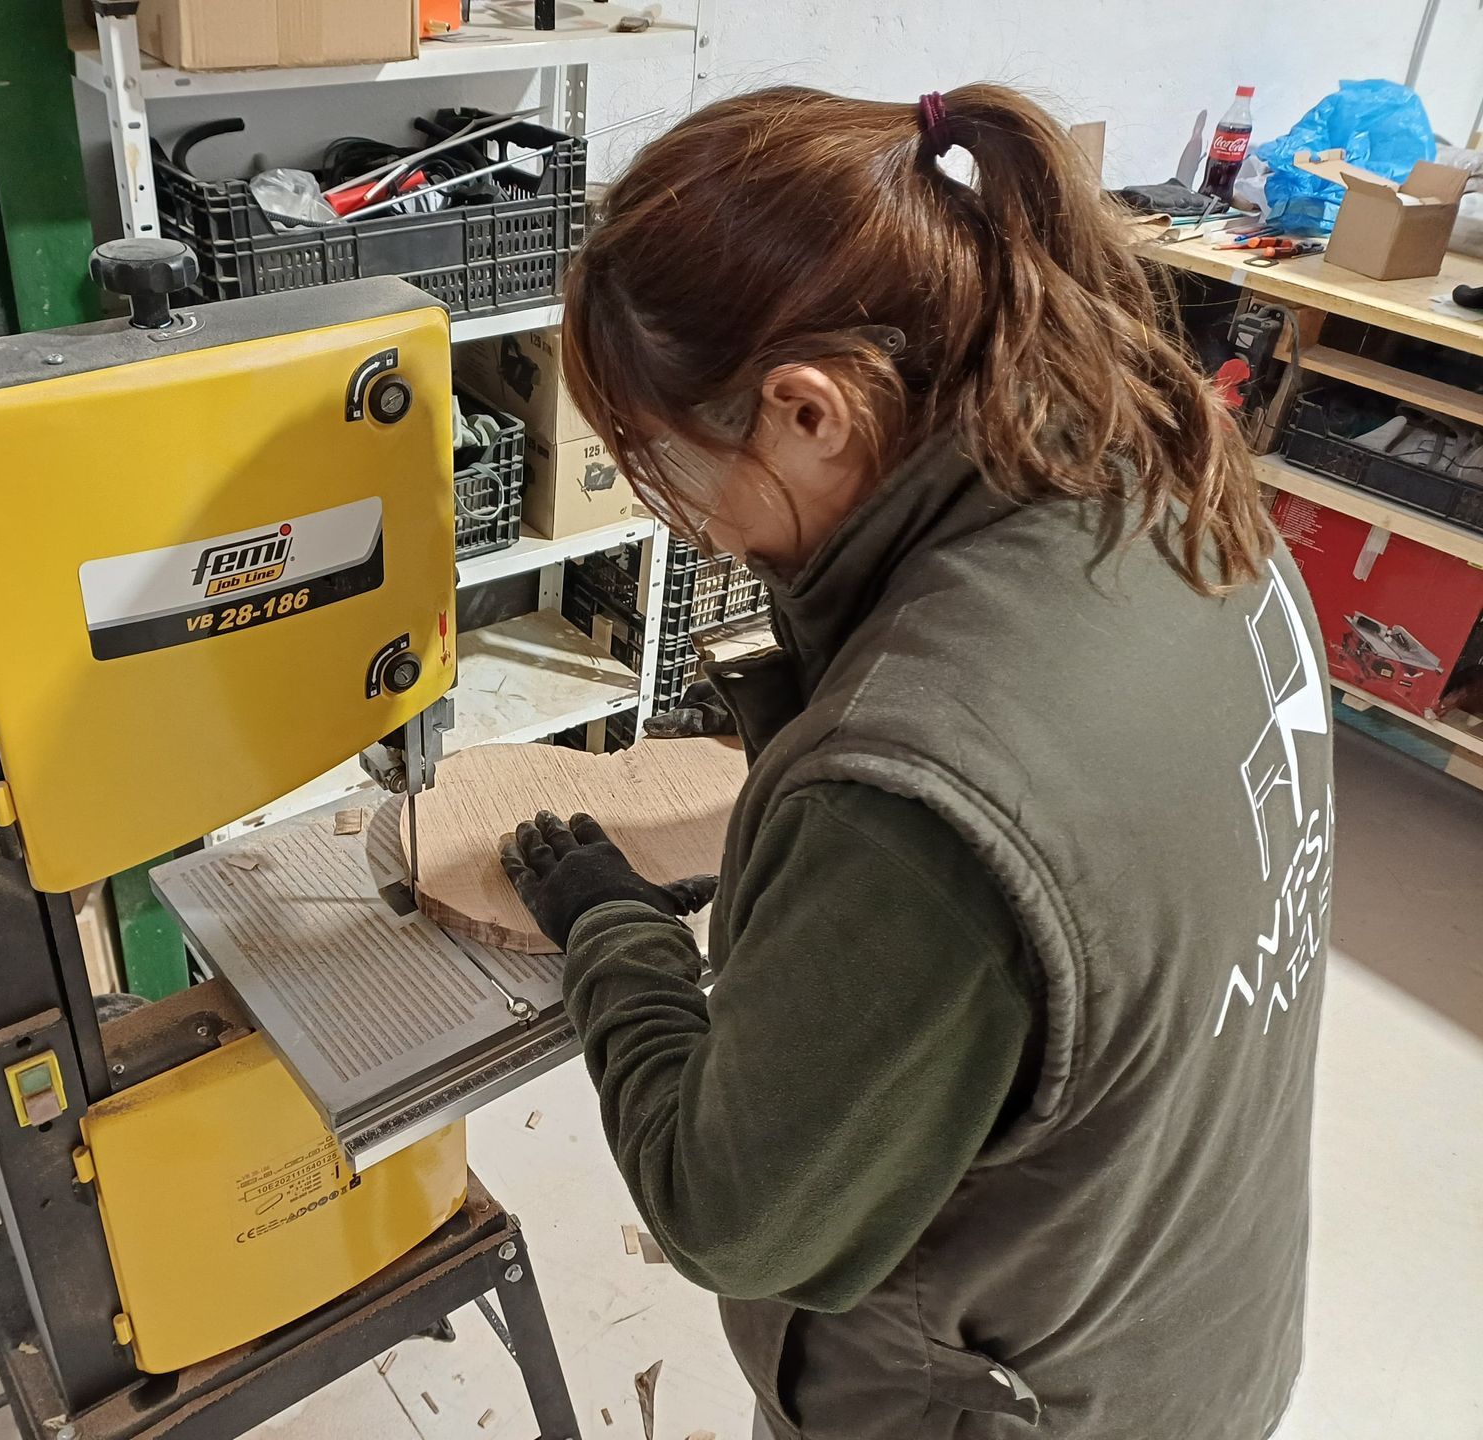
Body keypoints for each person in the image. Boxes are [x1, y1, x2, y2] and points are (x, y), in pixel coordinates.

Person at [497, 85, 1333, 1440]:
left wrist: (617, 936)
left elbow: (733, 1215)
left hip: (997, 1403)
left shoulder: (918, 810)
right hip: (1182, 1340)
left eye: (665, 463)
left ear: (808, 411)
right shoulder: (1172, 479)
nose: (690, 524)